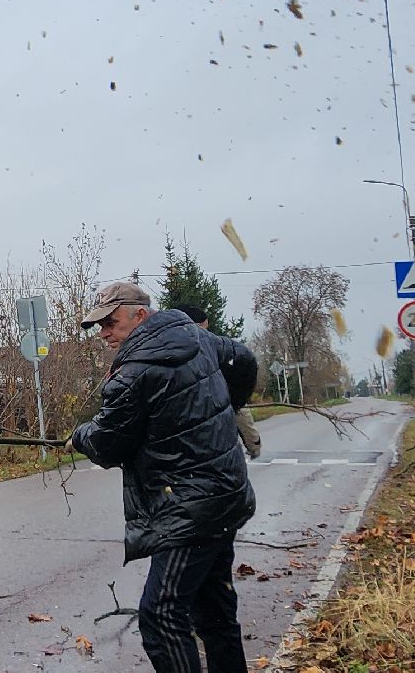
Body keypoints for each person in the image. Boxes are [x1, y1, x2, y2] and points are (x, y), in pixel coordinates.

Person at [70, 281, 257, 673]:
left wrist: (79, 435)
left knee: (161, 618)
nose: (104, 333)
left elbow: (107, 444)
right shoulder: (196, 337)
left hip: (187, 510)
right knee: (216, 614)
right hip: (225, 494)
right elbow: (243, 360)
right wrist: (226, 407)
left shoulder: (134, 373)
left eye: (111, 322)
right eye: (99, 325)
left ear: (140, 315)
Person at [176, 301, 263, 460]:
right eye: (204, 329)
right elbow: (238, 410)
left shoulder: (159, 355)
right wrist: (254, 444)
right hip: (213, 448)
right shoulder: (216, 359)